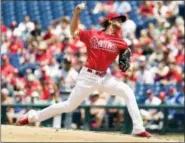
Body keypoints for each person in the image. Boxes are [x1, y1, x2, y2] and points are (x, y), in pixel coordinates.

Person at [16, 3, 151, 137]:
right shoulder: (93, 34)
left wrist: (127, 63)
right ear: (110, 21)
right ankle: (32, 116)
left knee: (127, 91)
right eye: (118, 19)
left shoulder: (121, 42)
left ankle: (138, 128)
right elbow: (73, 32)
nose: (120, 21)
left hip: (105, 77)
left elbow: (127, 62)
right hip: (88, 76)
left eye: (122, 20)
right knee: (69, 106)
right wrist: (76, 14)